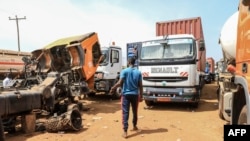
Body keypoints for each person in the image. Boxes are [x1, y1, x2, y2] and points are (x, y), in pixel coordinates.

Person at [110, 57, 143, 138]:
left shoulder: (124, 71)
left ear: (128, 62)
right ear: (134, 63)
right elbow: (141, 86)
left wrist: (113, 88)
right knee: (135, 111)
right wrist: (141, 96)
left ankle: (125, 131)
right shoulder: (138, 72)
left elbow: (120, 82)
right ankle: (134, 126)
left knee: (125, 113)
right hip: (135, 95)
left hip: (126, 95)